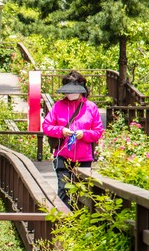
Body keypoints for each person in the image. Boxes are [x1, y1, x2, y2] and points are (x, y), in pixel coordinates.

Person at [42, 70, 103, 209]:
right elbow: (46, 126)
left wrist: (84, 134)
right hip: (62, 156)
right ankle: (63, 222)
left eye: (72, 91)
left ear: (81, 90)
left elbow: (98, 131)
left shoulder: (91, 107)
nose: (69, 94)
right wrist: (61, 131)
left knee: (82, 193)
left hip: (84, 158)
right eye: (67, 92)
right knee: (63, 190)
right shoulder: (58, 106)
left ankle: (79, 224)